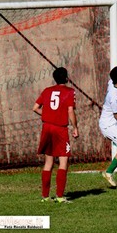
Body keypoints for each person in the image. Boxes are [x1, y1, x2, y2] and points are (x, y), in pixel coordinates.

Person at [33, 67, 78, 203]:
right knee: (63, 161)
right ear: (66, 78)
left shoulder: (47, 91)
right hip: (60, 129)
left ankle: (45, 197)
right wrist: (75, 127)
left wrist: (48, 115)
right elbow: (70, 111)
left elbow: (35, 108)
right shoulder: (70, 92)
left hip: (47, 128)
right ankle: (59, 196)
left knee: (48, 162)